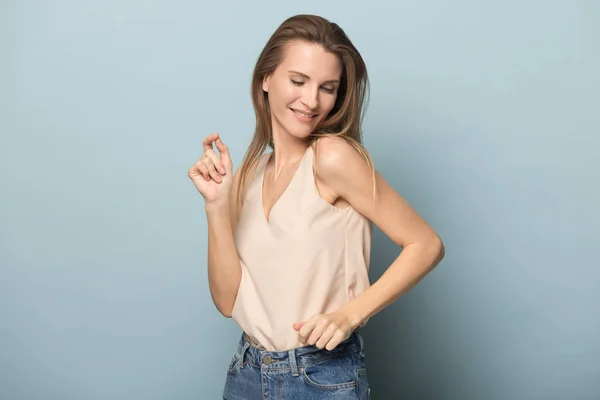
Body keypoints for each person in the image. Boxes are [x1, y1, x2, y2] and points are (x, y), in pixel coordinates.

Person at [188, 14, 445, 399]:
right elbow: (227, 301)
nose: (311, 101)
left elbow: (426, 244)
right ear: (266, 79)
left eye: (328, 87)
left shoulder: (332, 158)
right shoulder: (250, 172)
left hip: (319, 376)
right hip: (247, 372)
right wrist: (215, 206)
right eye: (298, 81)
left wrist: (350, 314)